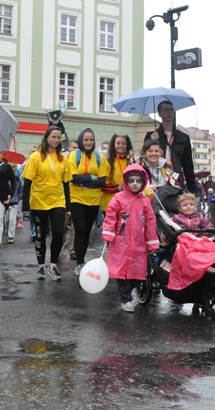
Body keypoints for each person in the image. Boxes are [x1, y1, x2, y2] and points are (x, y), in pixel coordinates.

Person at [101, 164, 159, 312]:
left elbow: (150, 221)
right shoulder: (118, 198)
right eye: (131, 180)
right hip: (121, 242)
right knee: (122, 272)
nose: (134, 183)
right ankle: (125, 298)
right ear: (126, 181)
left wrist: (151, 242)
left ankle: (130, 291)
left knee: (137, 271)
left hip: (138, 244)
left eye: (138, 181)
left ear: (143, 183)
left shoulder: (144, 200)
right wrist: (108, 232)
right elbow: (111, 215)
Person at [21, 125, 72, 281]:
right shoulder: (36, 157)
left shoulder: (63, 158)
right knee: (41, 235)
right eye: (53, 137)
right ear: (47, 137)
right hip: (39, 201)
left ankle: (53, 265)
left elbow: (65, 183)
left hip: (57, 201)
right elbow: (28, 181)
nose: (56, 140)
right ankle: (41, 267)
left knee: (58, 232)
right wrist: (25, 206)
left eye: (58, 138)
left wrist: (68, 206)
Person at [167, 193, 215, 290]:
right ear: (180, 209)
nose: (188, 207)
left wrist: (206, 235)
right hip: (185, 242)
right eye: (185, 205)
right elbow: (170, 229)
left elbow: (209, 227)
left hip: (200, 240)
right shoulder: (177, 219)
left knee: (214, 248)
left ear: (196, 207)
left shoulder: (200, 218)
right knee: (190, 255)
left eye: (191, 204)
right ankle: (207, 267)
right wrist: (170, 222)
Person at [68, 128, 108, 275]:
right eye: (86, 139)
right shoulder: (74, 156)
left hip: (93, 200)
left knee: (87, 232)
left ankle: (81, 259)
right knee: (80, 229)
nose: (89, 142)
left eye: (91, 139)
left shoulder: (100, 158)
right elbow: (73, 178)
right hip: (76, 198)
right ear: (81, 140)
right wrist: (92, 178)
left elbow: (102, 180)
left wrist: (85, 181)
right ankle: (79, 262)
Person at [143, 100, 196, 193]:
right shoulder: (151, 135)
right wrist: (152, 140)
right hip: (157, 176)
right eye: (166, 110)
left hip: (175, 178)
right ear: (159, 114)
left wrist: (192, 191)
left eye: (171, 109)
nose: (169, 112)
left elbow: (188, 166)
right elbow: (144, 157)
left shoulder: (183, 137)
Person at [101, 134, 134, 212]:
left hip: (128, 203)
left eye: (123, 143)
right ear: (114, 145)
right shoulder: (108, 163)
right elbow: (103, 186)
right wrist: (119, 187)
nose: (121, 146)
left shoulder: (132, 162)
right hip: (111, 203)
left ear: (127, 145)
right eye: (118, 143)